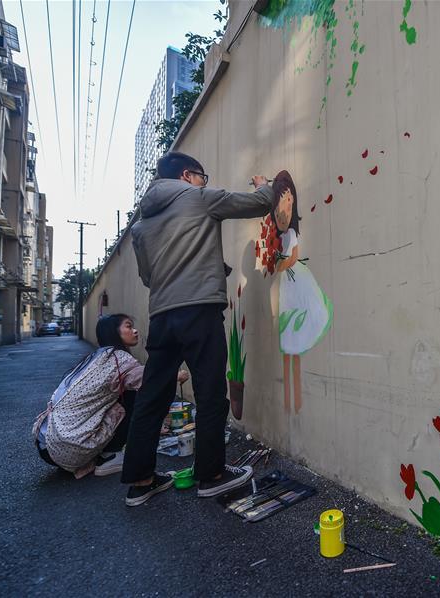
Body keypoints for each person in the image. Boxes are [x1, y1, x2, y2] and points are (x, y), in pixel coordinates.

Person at [122, 151, 272, 507]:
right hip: (200, 310)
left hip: (162, 316)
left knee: (152, 396)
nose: (204, 182)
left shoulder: (141, 225)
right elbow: (258, 203)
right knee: (209, 392)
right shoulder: (199, 197)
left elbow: (148, 277)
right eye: (202, 176)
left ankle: (141, 481)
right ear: (187, 175)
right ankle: (212, 476)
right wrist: (264, 186)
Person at [32, 314, 189, 478]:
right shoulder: (119, 360)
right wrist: (176, 375)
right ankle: (111, 456)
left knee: (124, 391)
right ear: (114, 333)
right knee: (133, 394)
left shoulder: (97, 356)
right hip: (68, 447)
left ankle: (104, 452)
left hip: (48, 444)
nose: (135, 331)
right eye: (128, 326)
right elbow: (150, 379)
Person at [271, 170, 332, 413]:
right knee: (288, 341)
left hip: (296, 283)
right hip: (289, 286)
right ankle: (291, 401)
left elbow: (293, 257)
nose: (284, 208)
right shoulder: (281, 234)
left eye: (288, 200)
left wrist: (279, 265)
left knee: (294, 341)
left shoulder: (291, 233)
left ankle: (294, 401)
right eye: (280, 202)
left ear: (293, 200)